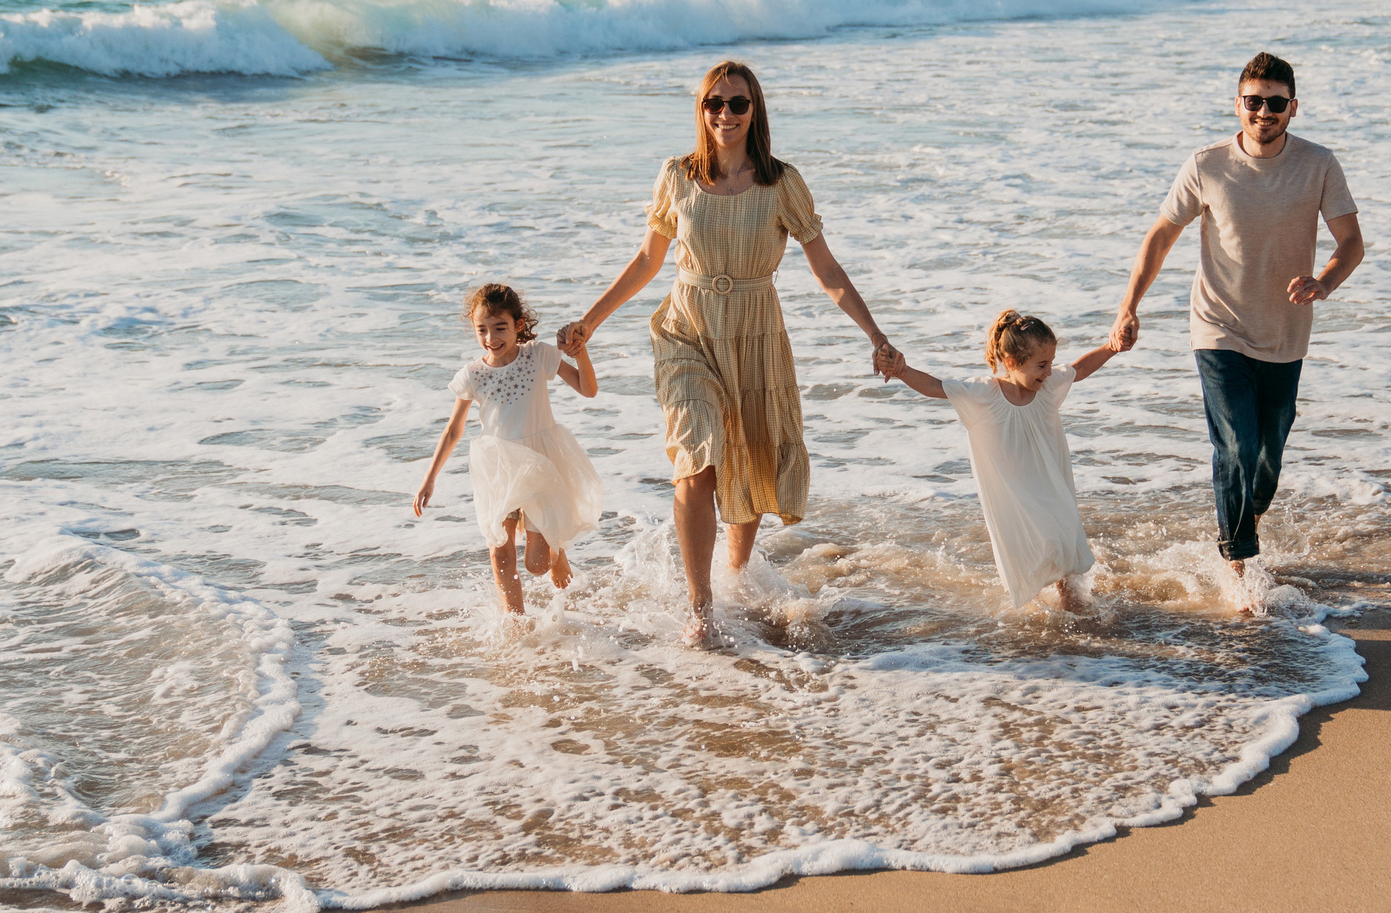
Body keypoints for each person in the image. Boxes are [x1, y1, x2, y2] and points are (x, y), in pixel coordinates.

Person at [559, 60, 898, 649]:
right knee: (698, 455)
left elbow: (828, 269)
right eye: (714, 103)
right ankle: (701, 608)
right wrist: (590, 321)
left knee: (750, 467)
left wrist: (876, 335)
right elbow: (647, 261)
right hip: (685, 329)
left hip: (755, 332)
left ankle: (737, 578)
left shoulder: (781, 183)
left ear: (755, 110)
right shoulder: (677, 175)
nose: (725, 113)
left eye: (737, 103)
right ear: (701, 109)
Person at [1109, 52, 1363, 599]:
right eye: (1254, 101)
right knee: (1236, 447)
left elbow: (1351, 243)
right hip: (1217, 326)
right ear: (1238, 105)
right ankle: (1238, 569)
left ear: (1293, 108)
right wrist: (1129, 306)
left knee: (1267, 456)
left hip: (1285, 334)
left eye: (1275, 102)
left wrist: (1324, 281)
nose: (1264, 112)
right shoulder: (1206, 165)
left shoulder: (1318, 164)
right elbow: (1160, 236)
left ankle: (1240, 522)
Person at [879, 309, 1120, 613]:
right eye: (1041, 365)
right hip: (1015, 496)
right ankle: (1039, 616)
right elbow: (934, 387)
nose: (1048, 372)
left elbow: (1078, 369)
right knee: (1032, 549)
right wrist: (902, 370)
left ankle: (1071, 604)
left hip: (1051, 483)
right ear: (1010, 362)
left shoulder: (1048, 386)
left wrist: (1112, 347)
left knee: (1063, 539)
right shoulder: (983, 394)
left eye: (1050, 363)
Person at [414, 282, 603, 615]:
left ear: (518, 325)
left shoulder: (539, 356)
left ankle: (557, 553)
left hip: (539, 463)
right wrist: (430, 478)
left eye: (500, 328)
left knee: (536, 564)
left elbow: (588, 390)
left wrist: (581, 352)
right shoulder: (472, 375)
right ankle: (515, 621)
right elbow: (454, 430)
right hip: (498, 468)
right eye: (482, 330)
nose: (491, 338)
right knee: (500, 550)